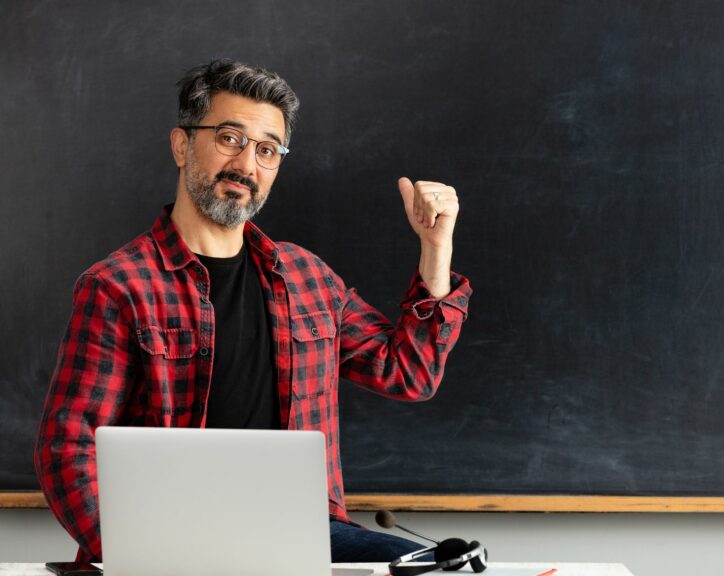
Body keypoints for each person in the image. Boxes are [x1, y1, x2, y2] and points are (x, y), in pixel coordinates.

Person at [34, 58, 471, 563]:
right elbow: (66, 449)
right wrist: (140, 554)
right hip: (172, 541)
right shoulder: (118, 287)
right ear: (181, 145)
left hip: (306, 533)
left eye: (267, 150)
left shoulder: (308, 278)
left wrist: (435, 251)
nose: (247, 165)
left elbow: (408, 375)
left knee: (440, 571)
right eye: (229, 138)